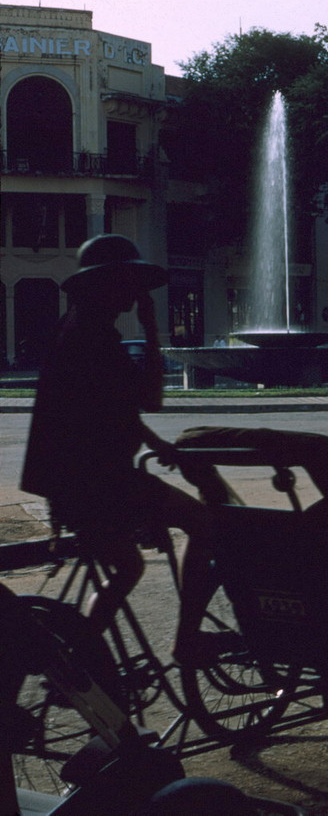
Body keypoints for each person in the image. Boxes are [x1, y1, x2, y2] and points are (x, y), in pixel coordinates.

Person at [21, 234, 218, 666]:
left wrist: (157, 444)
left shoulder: (74, 329)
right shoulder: (96, 339)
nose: (137, 292)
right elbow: (151, 400)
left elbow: (114, 410)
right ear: (108, 285)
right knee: (204, 524)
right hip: (102, 483)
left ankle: (80, 662)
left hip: (71, 485)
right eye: (129, 282)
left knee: (128, 569)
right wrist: (151, 330)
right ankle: (186, 640)